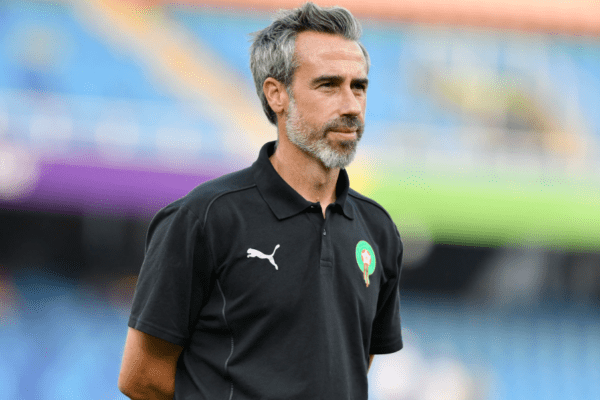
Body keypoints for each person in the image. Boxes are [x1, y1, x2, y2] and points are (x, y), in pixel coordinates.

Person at [118, 3, 403, 399]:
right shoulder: (204, 218)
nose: (351, 105)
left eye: (359, 87)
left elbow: (354, 367)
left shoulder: (378, 230)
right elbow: (141, 378)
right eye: (328, 85)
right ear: (277, 94)